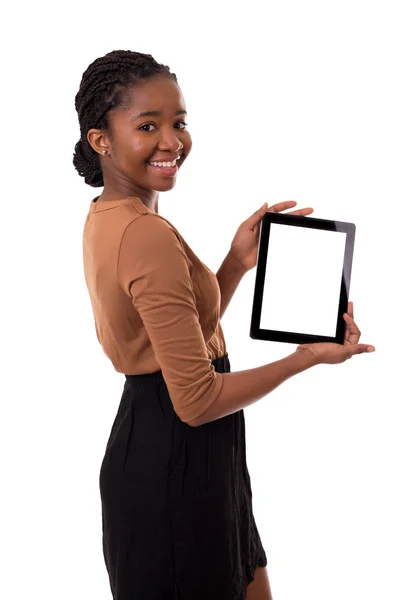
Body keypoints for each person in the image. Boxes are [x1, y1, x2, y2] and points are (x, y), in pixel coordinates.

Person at [73, 50, 375, 600]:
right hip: (174, 464)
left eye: (179, 122)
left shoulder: (115, 215)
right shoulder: (144, 233)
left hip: (192, 457)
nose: (172, 141)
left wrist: (235, 264)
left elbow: (177, 337)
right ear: (101, 141)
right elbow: (197, 398)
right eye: (148, 126)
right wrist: (304, 357)